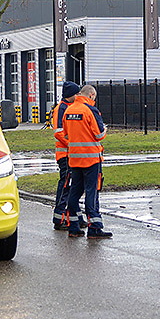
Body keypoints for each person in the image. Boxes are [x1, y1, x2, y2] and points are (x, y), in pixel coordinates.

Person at [61, 84, 111, 239]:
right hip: (91, 158)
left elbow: (66, 134)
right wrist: (105, 131)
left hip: (74, 159)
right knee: (91, 192)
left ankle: (73, 227)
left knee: (74, 192)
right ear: (91, 95)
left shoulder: (69, 110)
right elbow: (99, 135)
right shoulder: (90, 110)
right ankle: (94, 227)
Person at [51, 80, 80, 230]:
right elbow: (58, 132)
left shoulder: (69, 107)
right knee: (65, 184)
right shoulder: (61, 109)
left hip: (71, 153)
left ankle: (73, 216)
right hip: (65, 154)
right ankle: (59, 217)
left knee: (73, 185)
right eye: (76, 93)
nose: (78, 96)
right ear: (70, 95)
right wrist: (73, 143)